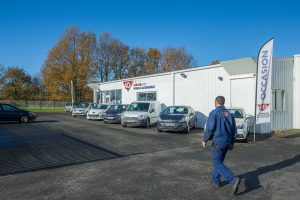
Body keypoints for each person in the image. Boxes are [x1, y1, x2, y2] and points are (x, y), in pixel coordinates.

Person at [202, 96, 241, 195]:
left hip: (219, 142)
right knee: (218, 162)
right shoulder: (230, 114)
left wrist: (205, 140)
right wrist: (232, 142)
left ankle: (233, 179)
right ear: (223, 103)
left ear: (216, 102)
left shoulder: (214, 113)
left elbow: (210, 128)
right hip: (227, 142)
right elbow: (234, 130)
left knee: (216, 162)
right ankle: (216, 181)